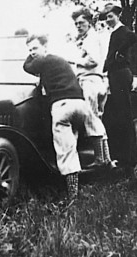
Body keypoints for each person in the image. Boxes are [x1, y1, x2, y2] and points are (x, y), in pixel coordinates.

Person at [23, 34, 111, 200]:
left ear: (45, 47)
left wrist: (29, 55)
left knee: (66, 150)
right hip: (80, 105)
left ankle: (72, 195)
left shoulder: (44, 60)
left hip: (62, 106)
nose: (32, 52)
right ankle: (103, 161)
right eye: (30, 50)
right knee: (90, 131)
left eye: (35, 48)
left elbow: (27, 66)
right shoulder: (60, 61)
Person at [67, 7, 116, 168]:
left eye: (81, 23)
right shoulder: (88, 38)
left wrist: (74, 60)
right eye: (76, 24)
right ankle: (106, 158)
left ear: (89, 23)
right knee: (97, 120)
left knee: (91, 119)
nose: (78, 26)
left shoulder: (91, 39)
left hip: (90, 81)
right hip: (96, 81)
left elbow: (93, 60)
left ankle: (100, 159)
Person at [100, 4, 137, 169]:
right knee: (114, 114)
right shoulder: (113, 33)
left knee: (125, 114)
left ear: (118, 15)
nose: (108, 20)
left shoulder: (123, 31)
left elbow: (133, 37)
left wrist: (119, 53)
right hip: (114, 75)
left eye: (111, 16)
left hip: (122, 74)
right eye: (106, 17)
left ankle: (130, 159)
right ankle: (120, 156)